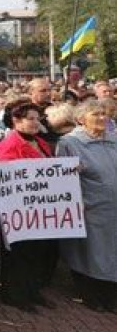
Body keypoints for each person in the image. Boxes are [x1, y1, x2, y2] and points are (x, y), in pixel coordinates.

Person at [0, 99, 56, 312]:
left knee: (37, 252)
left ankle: (32, 290)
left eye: (37, 119)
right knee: (19, 255)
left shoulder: (40, 142)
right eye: (30, 119)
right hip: (19, 211)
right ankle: (15, 294)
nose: (35, 122)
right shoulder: (9, 144)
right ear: (16, 120)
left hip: (39, 209)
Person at [56, 100, 117, 311]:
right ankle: (92, 295)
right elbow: (63, 179)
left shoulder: (113, 139)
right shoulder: (70, 143)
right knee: (93, 253)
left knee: (112, 253)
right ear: (81, 119)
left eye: (104, 113)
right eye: (96, 114)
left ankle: (111, 296)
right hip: (91, 207)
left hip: (113, 208)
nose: (102, 118)